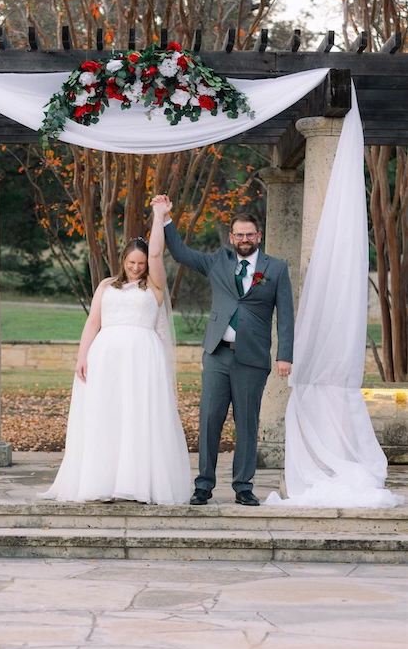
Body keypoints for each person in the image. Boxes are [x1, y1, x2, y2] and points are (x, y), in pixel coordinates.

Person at [41, 206, 191, 505]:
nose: (136, 267)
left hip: (141, 360)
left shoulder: (156, 287)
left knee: (137, 416)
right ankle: (102, 481)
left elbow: (159, 254)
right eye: (132, 261)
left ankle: (136, 482)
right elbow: (93, 323)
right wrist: (82, 356)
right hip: (105, 358)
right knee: (105, 415)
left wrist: (158, 217)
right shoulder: (106, 286)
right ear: (123, 260)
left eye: (141, 262)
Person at [151, 196, 294, 507]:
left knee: (247, 422)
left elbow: (286, 315)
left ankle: (244, 486)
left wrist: (285, 355)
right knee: (210, 420)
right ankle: (203, 485)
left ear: (259, 236)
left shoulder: (277, 268)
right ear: (232, 237)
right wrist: (165, 219)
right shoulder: (218, 261)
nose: (244, 239)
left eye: (249, 234)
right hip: (217, 354)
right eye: (238, 235)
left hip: (253, 359)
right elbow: (181, 253)